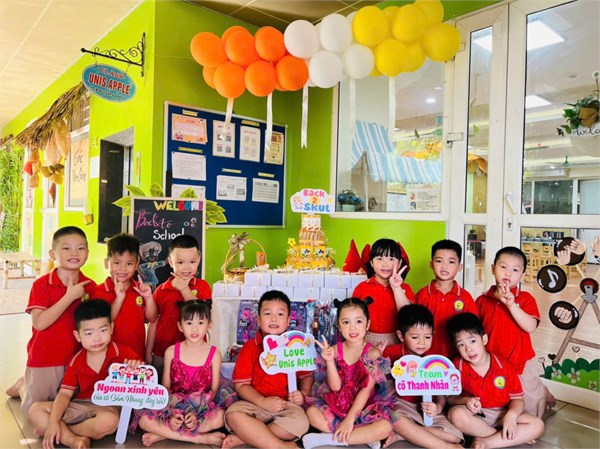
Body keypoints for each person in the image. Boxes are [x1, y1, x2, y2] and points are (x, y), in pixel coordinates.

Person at [27, 299, 142, 449]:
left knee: (109, 421)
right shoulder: (76, 361)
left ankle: (60, 432)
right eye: (89, 333)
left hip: (108, 407)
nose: (97, 338)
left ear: (111, 328)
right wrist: (54, 421)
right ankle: (73, 440)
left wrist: (136, 367)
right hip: (82, 404)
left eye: (103, 330)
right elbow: (65, 394)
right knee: (35, 410)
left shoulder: (123, 353)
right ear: (78, 336)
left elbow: (143, 374)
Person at [6, 226, 97, 415]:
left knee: (66, 408)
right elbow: (39, 323)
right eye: (66, 248)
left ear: (88, 253)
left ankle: (26, 384)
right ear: (52, 254)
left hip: (77, 359)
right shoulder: (41, 285)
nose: (74, 253)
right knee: (32, 410)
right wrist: (69, 297)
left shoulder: (90, 286)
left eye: (80, 248)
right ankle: (23, 386)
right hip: (45, 358)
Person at [134, 300, 235, 447]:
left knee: (220, 417)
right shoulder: (171, 352)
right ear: (180, 326)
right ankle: (200, 438)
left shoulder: (214, 354)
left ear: (209, 324)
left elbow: (213, 391)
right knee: (144, 421)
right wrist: (171, 413)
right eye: (189, 323)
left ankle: (163, 434)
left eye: (200, 323)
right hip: (174, 405)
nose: (195, 329)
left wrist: (197, 414)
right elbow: (166, 388)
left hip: (202, 407)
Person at [223, 290, 312, 449]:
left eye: (280, 314)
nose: (274, 319)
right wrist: (262, 402)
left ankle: (246, 438)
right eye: (267, 313)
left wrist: (303, 394)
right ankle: (282, 447)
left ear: (288, 320)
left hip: (285, 405)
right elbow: (241, 385)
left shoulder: (295, 346)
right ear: (258, 320)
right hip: (254, 404)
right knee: (233, 415)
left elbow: (307, 376)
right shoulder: (250, 348)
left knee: (301, 423)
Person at [302, 297, 393, 449]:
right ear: (338, 325)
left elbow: (366, 390)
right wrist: (330, 361)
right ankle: (361, 436)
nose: (352, 328)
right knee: (311, 413)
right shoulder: (335, 350)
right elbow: (335, 387)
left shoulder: (372, 353)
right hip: (337, 405)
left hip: (363, 408)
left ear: (367, 324)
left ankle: (329, 439)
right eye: (346, 322)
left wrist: (350, 420)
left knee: (385, 427)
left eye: (358, 321)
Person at [446, 313, 544, 449]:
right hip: (475, 414)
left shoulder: (504, 366)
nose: (468, 349)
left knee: (538, 425)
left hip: (501, 414)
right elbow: (450, 398)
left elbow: (517, 399)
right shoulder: (456, 366)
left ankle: (485, 442)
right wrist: (466, 401)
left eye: (472, 341)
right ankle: (503, 437)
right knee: (456, 414)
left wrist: (511, 416)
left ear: (484, 339)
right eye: (461, 345)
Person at [476, 246, 546, 417]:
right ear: (493, 268)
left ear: (522, 275)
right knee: (498, 396)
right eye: (503, 267)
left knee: (530, 398)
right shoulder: (482, 300)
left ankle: (541, 398)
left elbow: (530, 326)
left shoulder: (526, 299)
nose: (508, 273)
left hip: (520, 361)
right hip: (492, 361)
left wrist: (512, 305)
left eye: (515, 270)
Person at [381, 304, 463, 449]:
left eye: (427, 337)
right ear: (401, 335)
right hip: (401, 406)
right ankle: (446, 447)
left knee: (455, 436)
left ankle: (406, 434)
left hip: (426, 407)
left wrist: (438, 407)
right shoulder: (391, 353)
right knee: (394, 418)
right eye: (415, 337)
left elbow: (440, 393)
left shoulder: (435, 359)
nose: (422, 342)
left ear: (433, 334)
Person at [145, 234, 211, 373]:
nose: (186, 267)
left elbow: (202, 312)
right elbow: (153, 322)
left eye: (192, 262)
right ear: (170, 261)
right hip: (162, 353)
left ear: (199, 259)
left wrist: (184, 289)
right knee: (162, 384)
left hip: (195, 354)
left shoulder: (203, 286)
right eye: (180, 262)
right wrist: (148, 352)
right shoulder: (161, 290)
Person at [92, 233, 158, 357]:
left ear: (137, 264)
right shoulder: (98, 291)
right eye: (117, 263)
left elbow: (152, 318)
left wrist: (149, 298)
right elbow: (101, 323)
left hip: (136, 355)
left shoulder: (140, 289)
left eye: (129, 264)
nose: (122, 269)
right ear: (106, 263)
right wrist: (119, 299)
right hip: (107, 357)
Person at [413, 239, 478, 358]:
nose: (444, 266)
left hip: (457, 357)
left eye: (451, 262)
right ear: (431, 264)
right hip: (425, 357)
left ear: (460, 267)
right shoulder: (422, 295)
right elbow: (411, 326)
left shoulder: (465, 297)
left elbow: (473, 330)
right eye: (439, 261)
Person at [352, 238, 414, 345]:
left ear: (399, 263)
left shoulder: (405, 288)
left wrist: (396, 288)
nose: (385, 264)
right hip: (367, 340)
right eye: (380, 258)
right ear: (371, 263)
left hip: (397, 340)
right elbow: (353, 316)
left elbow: (407, 315)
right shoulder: (362, 287)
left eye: (391, 259)